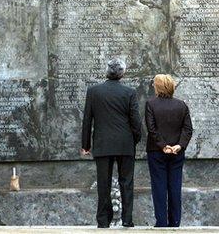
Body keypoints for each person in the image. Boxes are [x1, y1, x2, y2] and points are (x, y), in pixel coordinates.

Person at [81, 59, 142, 228]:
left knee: (103, 183)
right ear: (122, 73)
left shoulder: (94, 91)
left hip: (102, 144)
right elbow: (136, 121)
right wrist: (134, 140)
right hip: (125, 144)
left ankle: (103, 221)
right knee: (127, 183)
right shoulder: (129, 92)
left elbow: (87, 120)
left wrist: (86, 145)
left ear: (107, 72)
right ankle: (127, 220)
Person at [145, 74, 193, 227]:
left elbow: (151, 129)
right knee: (175, 186)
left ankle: (161, 222)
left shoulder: (151, 104)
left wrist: (163, 146)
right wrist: (179, 145)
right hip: (177, 153)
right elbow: (188, 129)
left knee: (159, 187)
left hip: (156, 151)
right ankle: (175, 222)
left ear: (158, 87)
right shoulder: (182, 105)